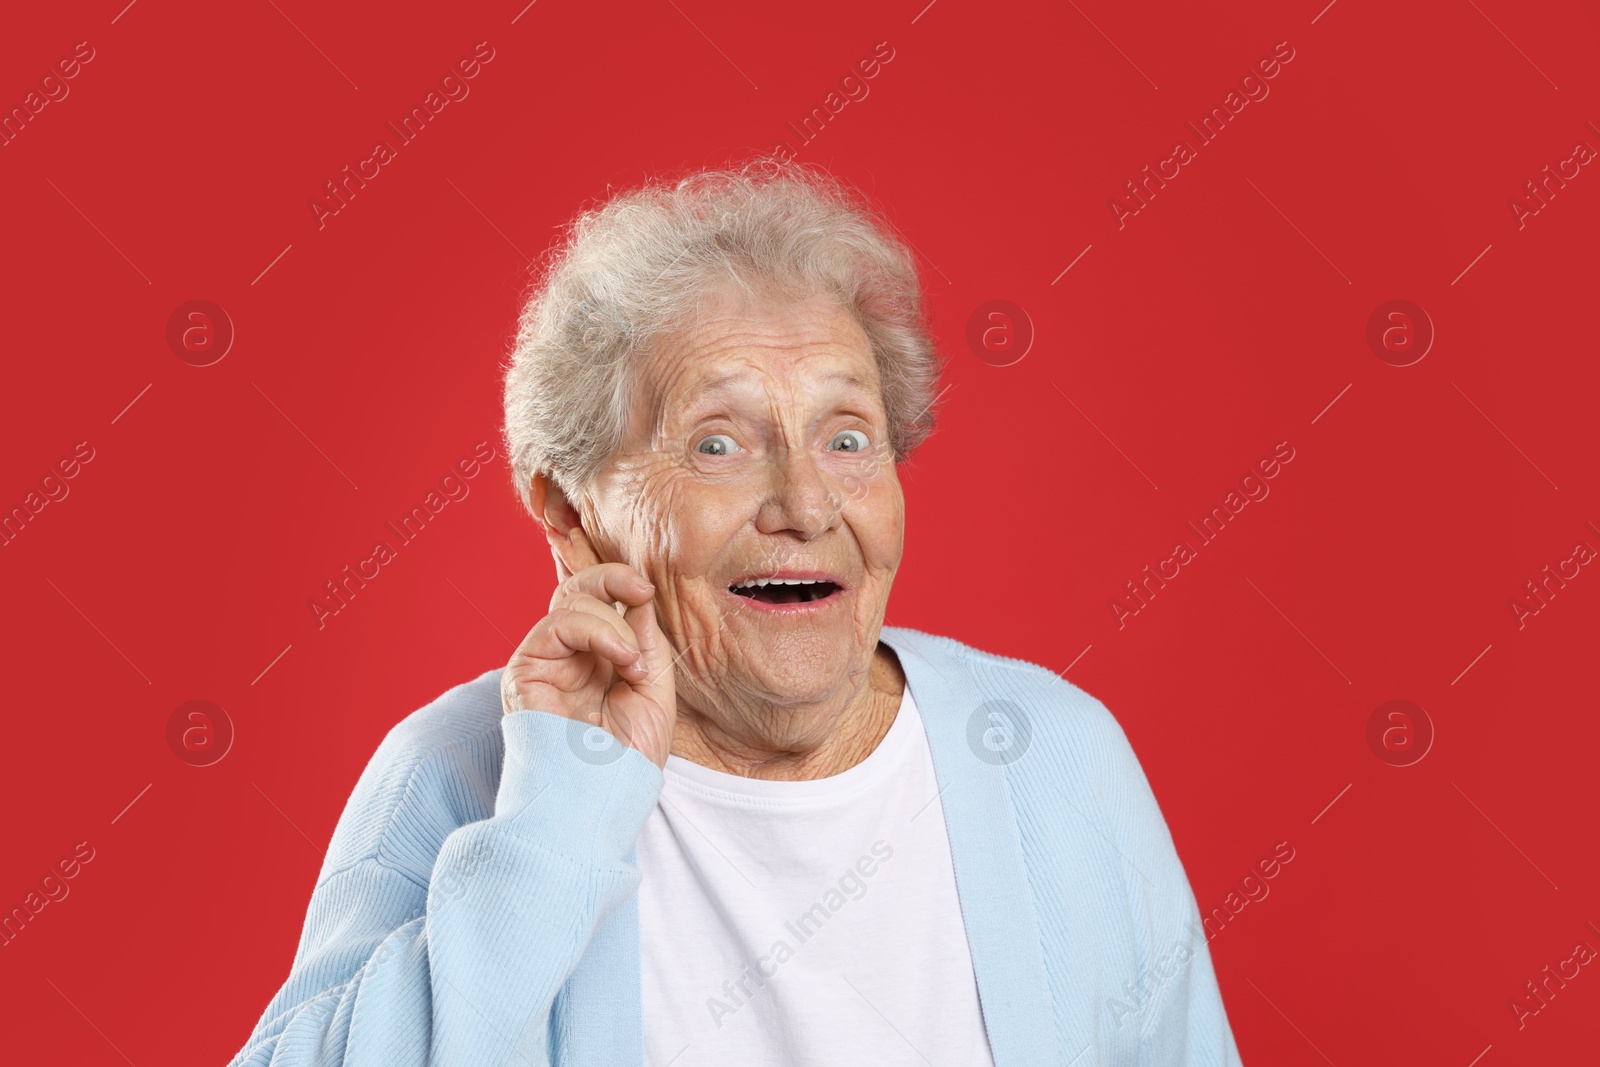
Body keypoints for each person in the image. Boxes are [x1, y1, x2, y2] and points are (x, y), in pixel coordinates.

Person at [227, 159, 1243, 1066]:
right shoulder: (462, 769)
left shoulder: (1052, 754)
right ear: (570, 509)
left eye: (847, 437)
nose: (804, 504)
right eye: (717, 442)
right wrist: (555, 816)